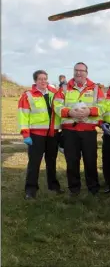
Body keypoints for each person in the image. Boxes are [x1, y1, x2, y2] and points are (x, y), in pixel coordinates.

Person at [53, 62, 104, 196]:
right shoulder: (64, 88)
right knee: (72, 161)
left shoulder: (95, 89)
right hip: (70, 131)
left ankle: (93, 188)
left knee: (90, 160)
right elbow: (57, 105)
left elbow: (103, 106)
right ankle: (74, 189)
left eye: (81, 71)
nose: (78, 73)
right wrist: (69, 112)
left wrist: (90, 111)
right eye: (76, 70)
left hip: (88, 131)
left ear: (87, 73)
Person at [18, 70, 63, 199]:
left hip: (52, 134)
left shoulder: (55, 93)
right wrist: (26, 134)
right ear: (35, 81)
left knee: (52, 161)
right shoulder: (28, 96)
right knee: (34, 162)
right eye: (40, 79)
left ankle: (53, 186)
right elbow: (23, 116)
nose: (43, 81)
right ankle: (30, 190)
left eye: (45, 78)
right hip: (36, 135)